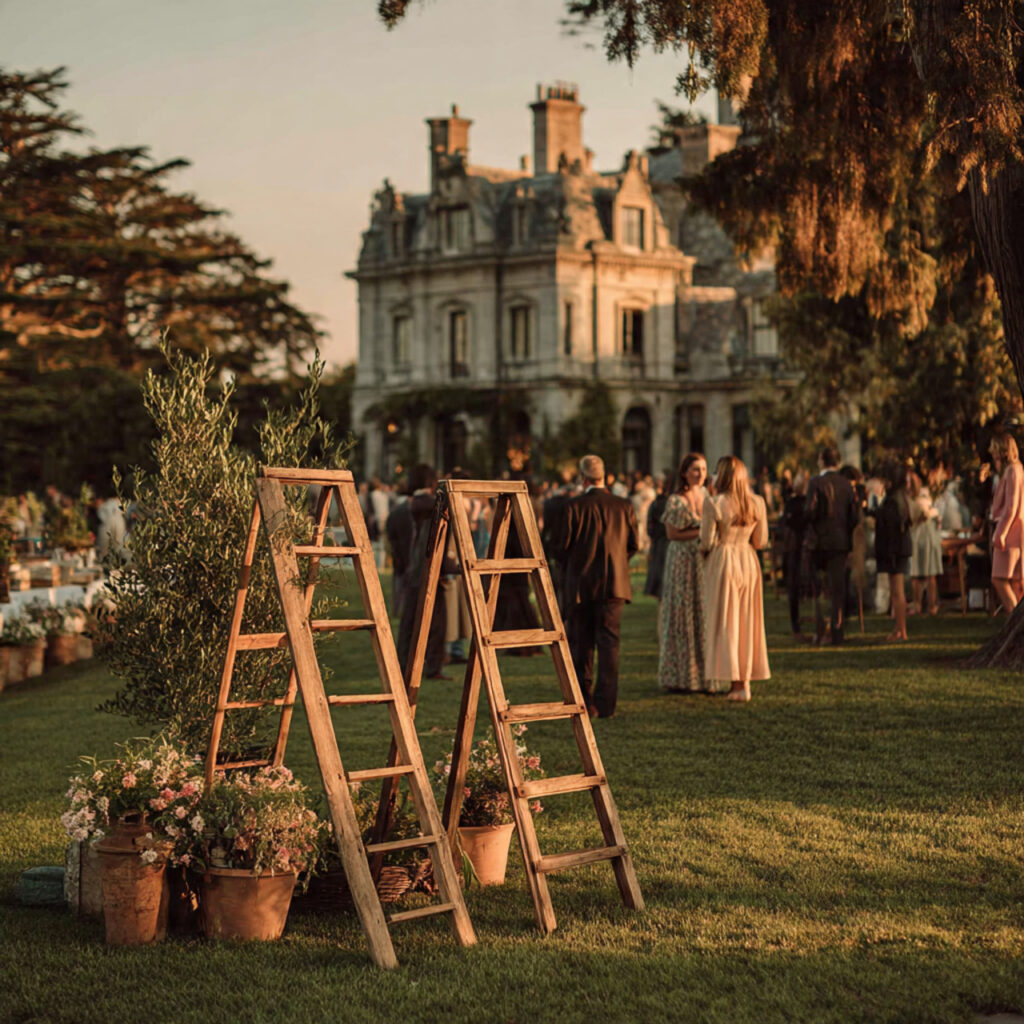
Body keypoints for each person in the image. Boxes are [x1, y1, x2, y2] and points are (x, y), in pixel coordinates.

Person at [561, 454, 639, 718]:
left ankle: (584, 700)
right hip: (614, 585)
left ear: (583, 478)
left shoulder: (574, 507)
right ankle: (606, 704)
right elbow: (633, 544)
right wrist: (618, 561)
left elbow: (562, 547)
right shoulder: (623, 505)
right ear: (605, 476)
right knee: (610, 645)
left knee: (581, 644)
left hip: (582, 586)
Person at [699, 455, 770, 702]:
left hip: (725, 559)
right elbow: (761, 541)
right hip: (748, 560)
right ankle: (744, 681)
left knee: (728, 621)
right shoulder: (758, 502)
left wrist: (703, 552)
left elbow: (706, 541)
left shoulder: (714, 502)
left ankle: (734, 681)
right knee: (748, 620)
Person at [656, 453, 711, 693]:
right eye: (696, 469)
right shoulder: (676, 500)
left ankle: (705, 675)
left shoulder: (709, 497)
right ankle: (679, 675)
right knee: (681, 614)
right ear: (685, 472)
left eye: (704, 469)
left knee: (702, 613)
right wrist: (700, 533)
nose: (700, 474)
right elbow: (672, 534)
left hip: (702, 559)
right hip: (681, 560)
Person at [805, 446, 860, 645]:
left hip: (818, 542)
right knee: (837, 590)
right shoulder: (847, 484)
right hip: (840, 543)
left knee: (819, 589)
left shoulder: (816, 482)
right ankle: (837, 631)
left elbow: (809, 511)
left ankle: (820, 631)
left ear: (821, 460)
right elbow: (854, 516)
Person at [874, 462, 912, 641]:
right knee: (897, 591)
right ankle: (899, 628)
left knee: (897, 591)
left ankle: (901, 630)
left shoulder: (893, 501)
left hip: (894, 551)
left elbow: (890, 528)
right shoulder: (899, 498)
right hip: (898, 550)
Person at [988, 433, 1024, 614]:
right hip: (1016, 531)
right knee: (1016, 582)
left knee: (999, 579)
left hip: (1012, 533)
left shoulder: (1013, 470)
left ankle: (1014, 621)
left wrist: (1000, 533)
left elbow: (1012, 506)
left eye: (994, 448)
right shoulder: (1013, 470)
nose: (991, 452)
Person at [779, 470, 810, 637]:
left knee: (794, 586)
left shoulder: (793, 503)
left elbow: (785, 523)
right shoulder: (807, 503)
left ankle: (796, 623)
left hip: (795, 549)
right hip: (802, 548)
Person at [907, 470, 942, 615]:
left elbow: (930, 512)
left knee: (925, 573)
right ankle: (923, 605)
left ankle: (925, 605)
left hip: (923, 536)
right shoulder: (917, 497)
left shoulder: (920, 497)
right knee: (920, 573)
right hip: (920, 536)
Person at [642, 473, 670, 634]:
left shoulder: (657, 504)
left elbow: (650, 528)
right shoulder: (659, 503)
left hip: (660, 546)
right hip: (662, 546)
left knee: (662, 594)